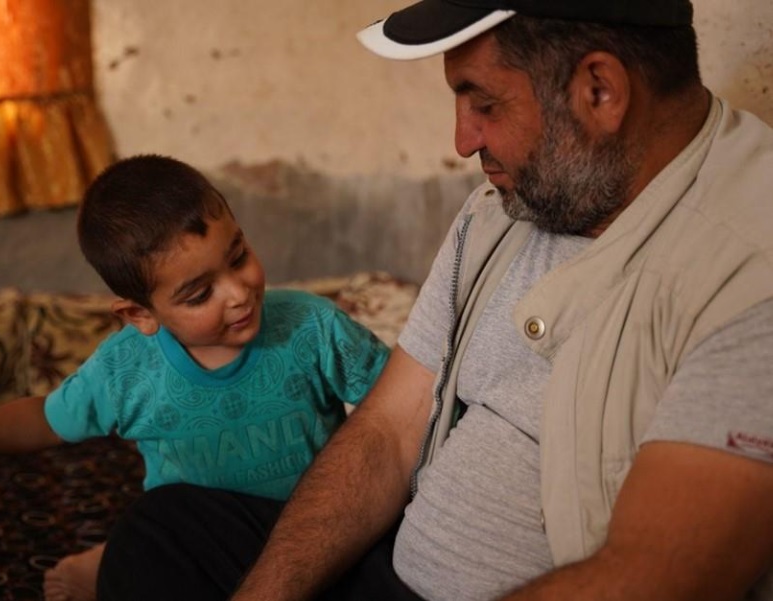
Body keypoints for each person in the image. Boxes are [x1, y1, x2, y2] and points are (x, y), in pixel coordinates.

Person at [95, 1, 773, 600]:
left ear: (599, 90)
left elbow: (656, 576)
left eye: (483, 103)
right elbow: (388, 431)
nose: (460, 142)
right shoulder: (505, 208)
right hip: (389, 564)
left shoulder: (749, 267)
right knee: (164, 533)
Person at [0, 155, 391, 601]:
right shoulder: (125, 370)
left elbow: (404, 406)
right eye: (200, 294)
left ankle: (105, 560)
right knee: (148, 554)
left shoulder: (313, 328)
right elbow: (49, 419)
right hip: (200, 544)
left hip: (316, 536)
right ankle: (108, 562)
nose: (239, 294)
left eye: (238, 255)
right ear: (140, 314)